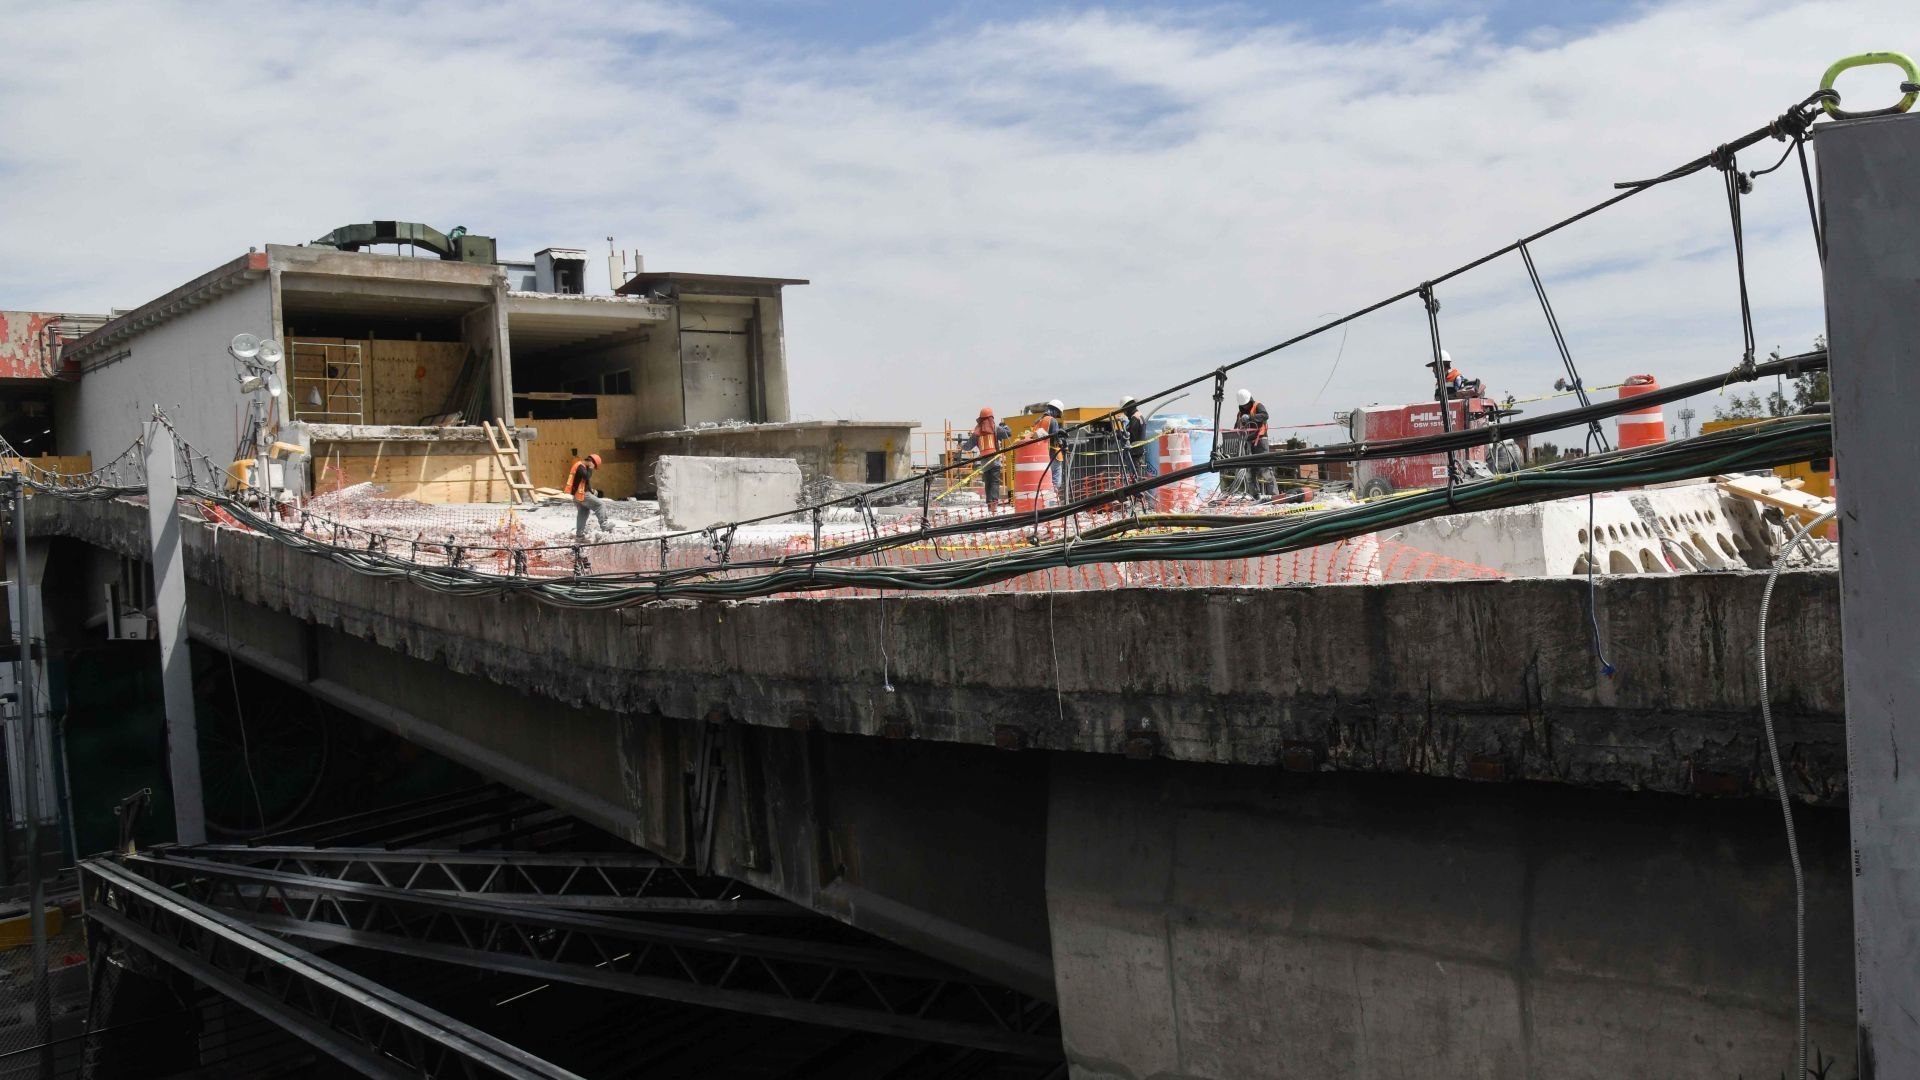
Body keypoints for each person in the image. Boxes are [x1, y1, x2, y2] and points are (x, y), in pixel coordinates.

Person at [957, 406, 1011, 510]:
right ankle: (994, 504)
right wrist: (1005, 426)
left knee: (988, 483)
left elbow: (968, 446)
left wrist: (961, 446)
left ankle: (989, 504)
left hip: (984, 463)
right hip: (994, 460)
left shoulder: (977, 432)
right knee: (994, 482)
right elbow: (1009, 433)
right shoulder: (995, 428)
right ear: (991, 417)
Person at [1232, 389, 1276, 498]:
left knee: (1265, 469)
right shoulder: (1240, 414)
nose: (1246, 407)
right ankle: (1254, 496)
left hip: (1260, 441)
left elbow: (1265, 416)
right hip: (1248, 443)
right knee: (1249, 471)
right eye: (1244, 405)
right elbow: (1236, 427)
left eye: (1247, 404)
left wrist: (1251, 418)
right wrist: (1239, 425)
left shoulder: (1258, 406)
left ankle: (1274, 495)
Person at [1029, 399, 1067, 495]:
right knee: (1055, 481)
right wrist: (1063, 442)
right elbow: (1056, 438)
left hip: (1041, 457)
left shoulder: (1038, 420)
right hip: (1053, 455)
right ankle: (1053, 499)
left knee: (1045, 480)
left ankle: (1045, 500)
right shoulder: (1052, 420)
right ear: (1056, 410)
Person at [568, 452, 610, 540]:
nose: (593, 469)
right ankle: (604, 525)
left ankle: (579, 535)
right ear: (592, 462)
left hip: (577, 496)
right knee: (600, 505)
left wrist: (591, 491)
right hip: (582, 495)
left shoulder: (582, 467)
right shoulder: (580, 465)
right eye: (594, 466)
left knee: (583, 513)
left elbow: (585, 482)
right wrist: (590, 468)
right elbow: (586, 477)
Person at [1119, 396, 1149, 484]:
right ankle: (1138, 492)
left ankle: (1137, 493)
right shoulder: (1139, 416)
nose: (1124, 413)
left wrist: (1121, 434)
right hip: (1138, 451)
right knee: (1136, 474)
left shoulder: (1134, 419)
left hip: (1135, 452)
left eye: (1124, 410)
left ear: (1128, 408)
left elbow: (1131, 435)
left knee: (1135, 476)